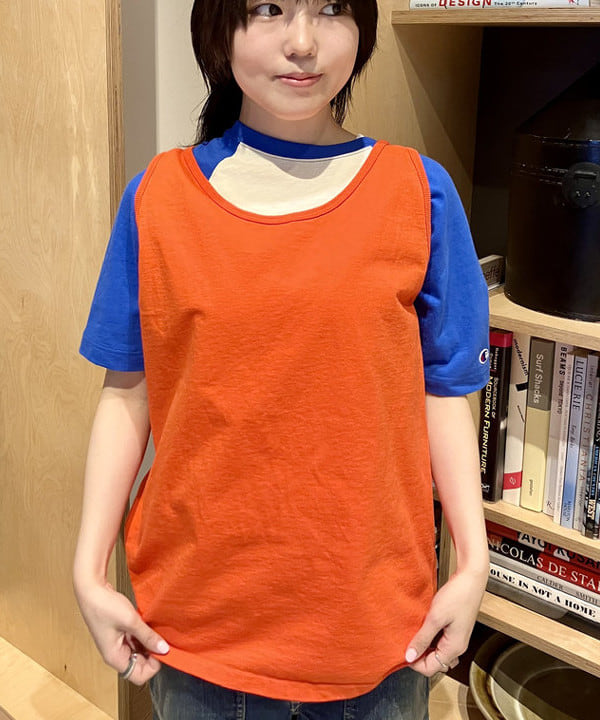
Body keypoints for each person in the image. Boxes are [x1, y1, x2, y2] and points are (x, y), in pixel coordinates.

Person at [73, 1, 491, 719]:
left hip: (377, 630)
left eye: (330, 9)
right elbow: (127, 393)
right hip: (197, 631)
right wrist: (88, 568)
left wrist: (473, 562)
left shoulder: (418, 191)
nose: (302, 42)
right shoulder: (157, 197)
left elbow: (444, 391)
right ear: (217, 29)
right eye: (268, 9)